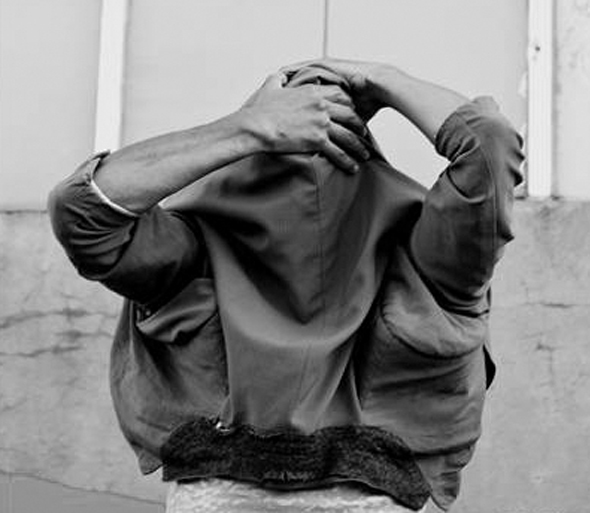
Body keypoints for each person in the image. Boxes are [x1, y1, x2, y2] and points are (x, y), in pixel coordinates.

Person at [49, 58, 524, 512]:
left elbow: (83, 211)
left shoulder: (418, 257)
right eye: (297, 121)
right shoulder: (428, 263)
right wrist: (380, 82)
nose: (312, 144)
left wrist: (251, 128)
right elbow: (488, 143)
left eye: (330, 121)